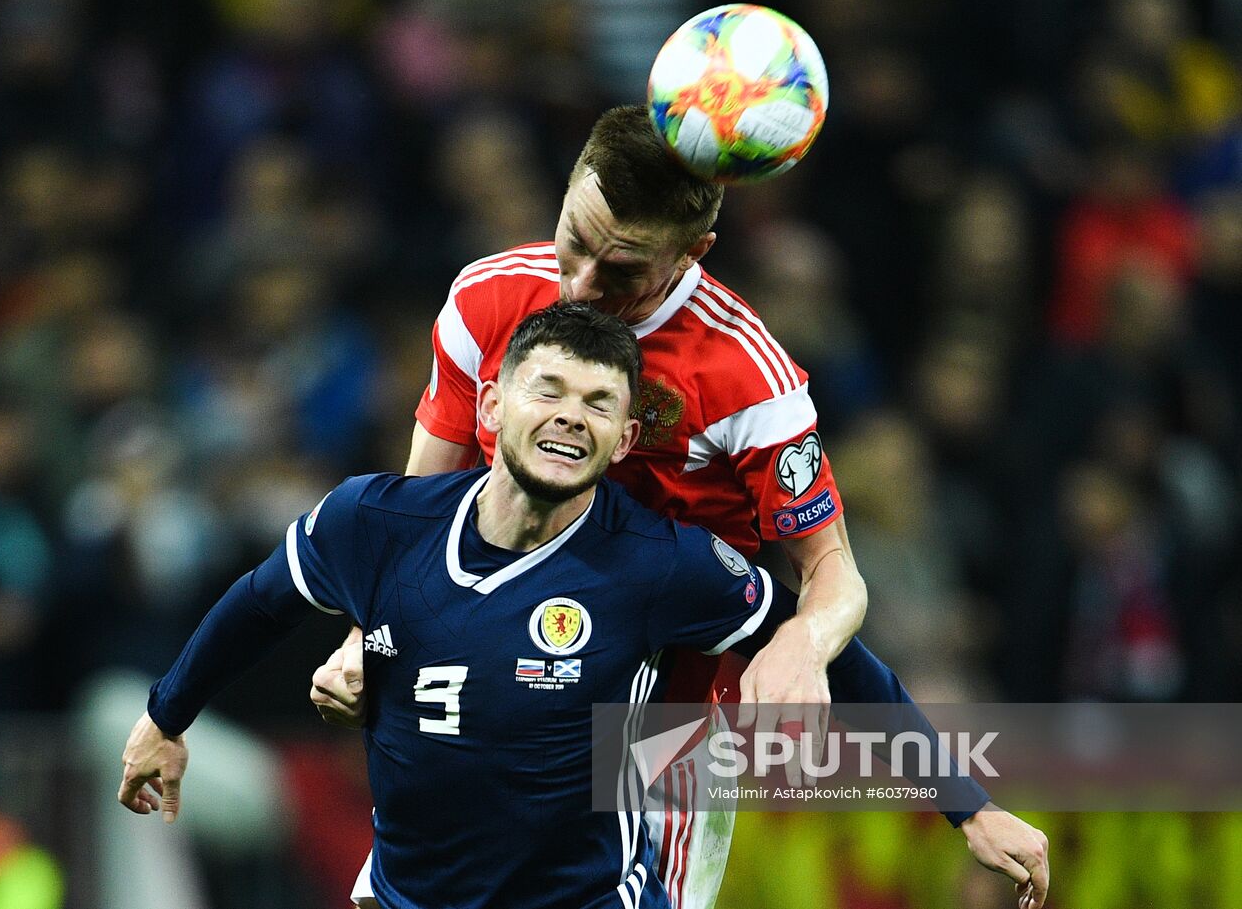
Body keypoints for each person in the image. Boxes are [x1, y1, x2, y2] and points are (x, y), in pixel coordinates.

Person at [311, 106, 1048, 907]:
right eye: (574, 239)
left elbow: (833, 575)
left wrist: (807, 639)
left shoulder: (747, 380)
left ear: (693, 253)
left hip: (657, 737)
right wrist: (365, 638)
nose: (581, 286)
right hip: (480, 703)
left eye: (621, 268)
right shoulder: (487, 299)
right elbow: (419, 514)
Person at [121, 305, 1048, 909]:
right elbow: (257, 603)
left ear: (623, 439)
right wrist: (165, 718)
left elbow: (841, 659)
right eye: (549, 388)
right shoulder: (376, 520)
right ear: (491, 403)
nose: (572, 414)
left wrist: (969, 808)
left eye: (600, 403)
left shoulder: (662, 566)